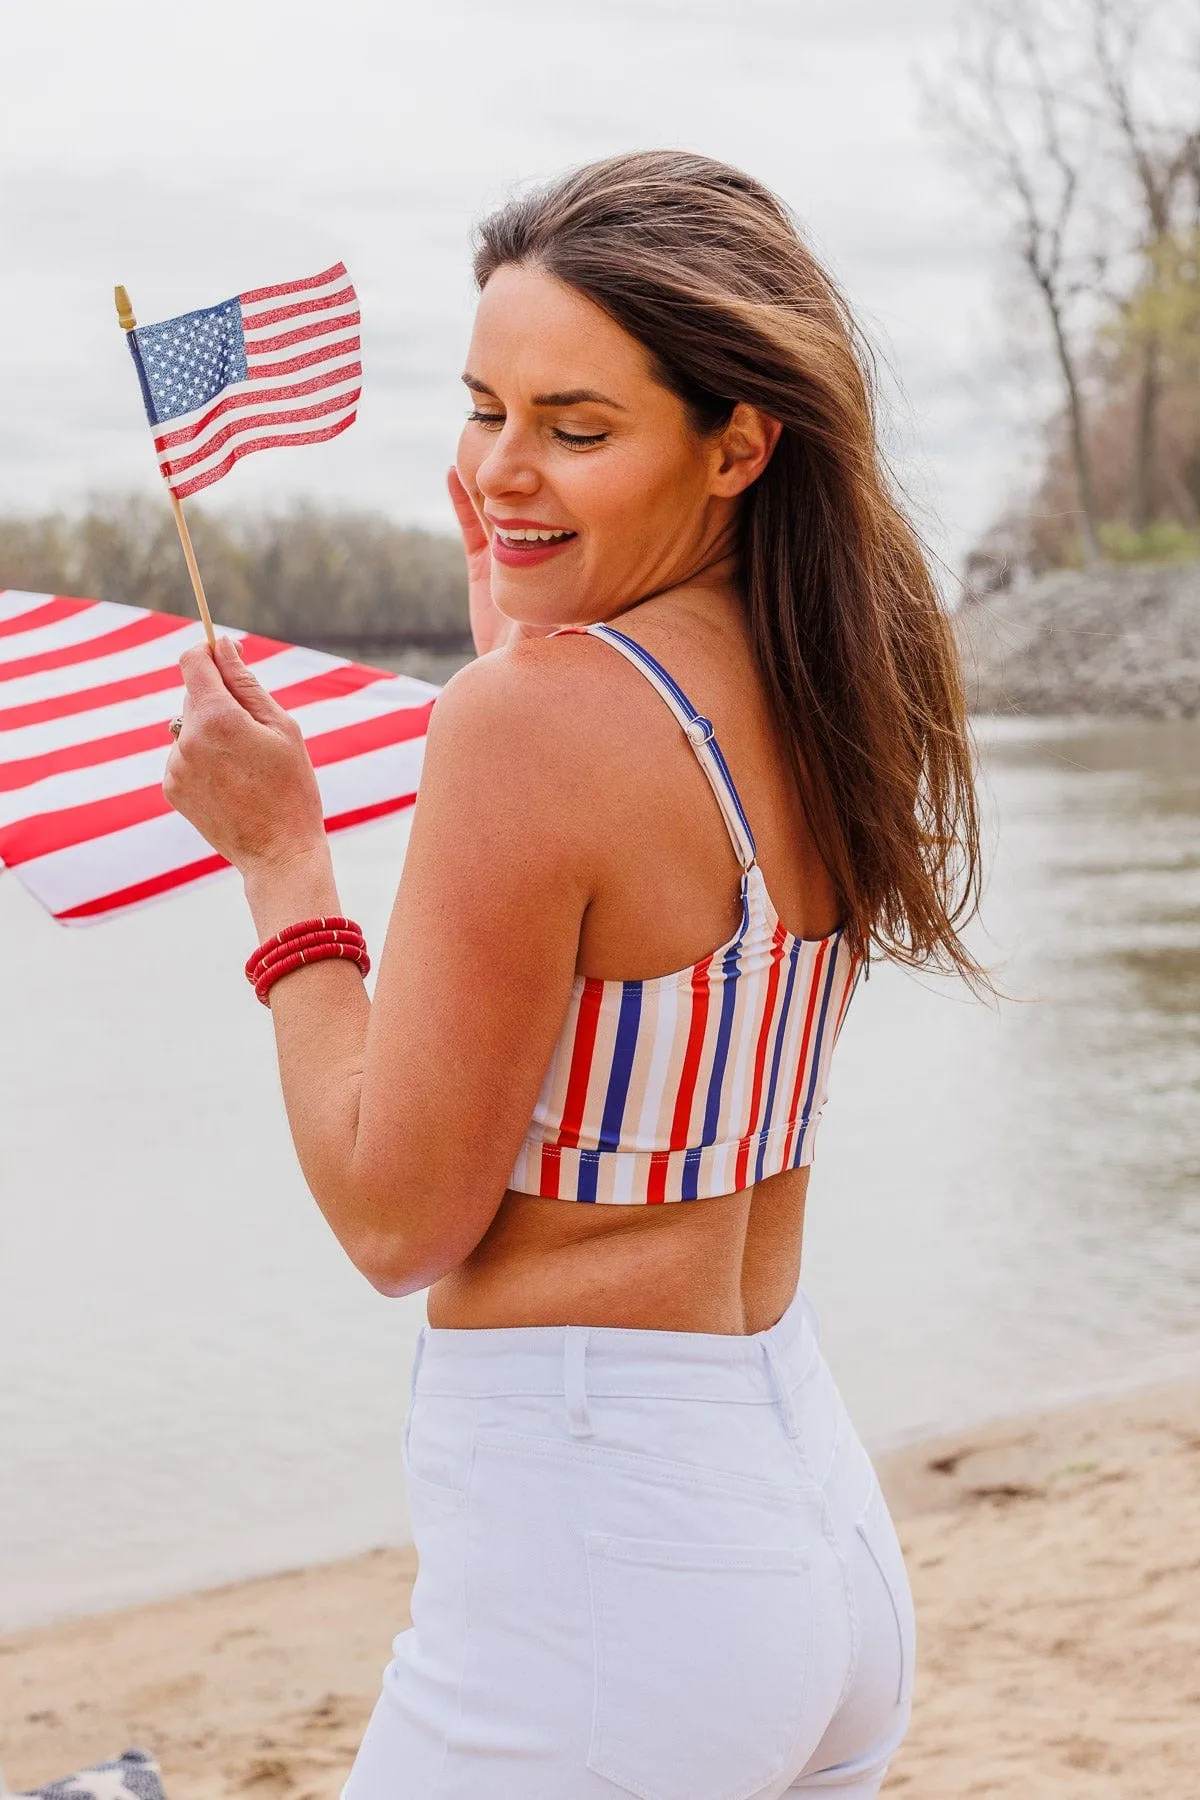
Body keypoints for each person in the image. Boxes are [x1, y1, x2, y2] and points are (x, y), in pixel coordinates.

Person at [166, 150, 981, 1799]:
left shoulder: (534, 727)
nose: (501, 474)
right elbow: (651, 963)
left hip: (606, 1569)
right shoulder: (834, 674)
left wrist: (282, 864)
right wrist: (524, 653)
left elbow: (398, 1221)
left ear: (738, 441)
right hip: (803, 1525)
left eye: (576, 427)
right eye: (485, 408)